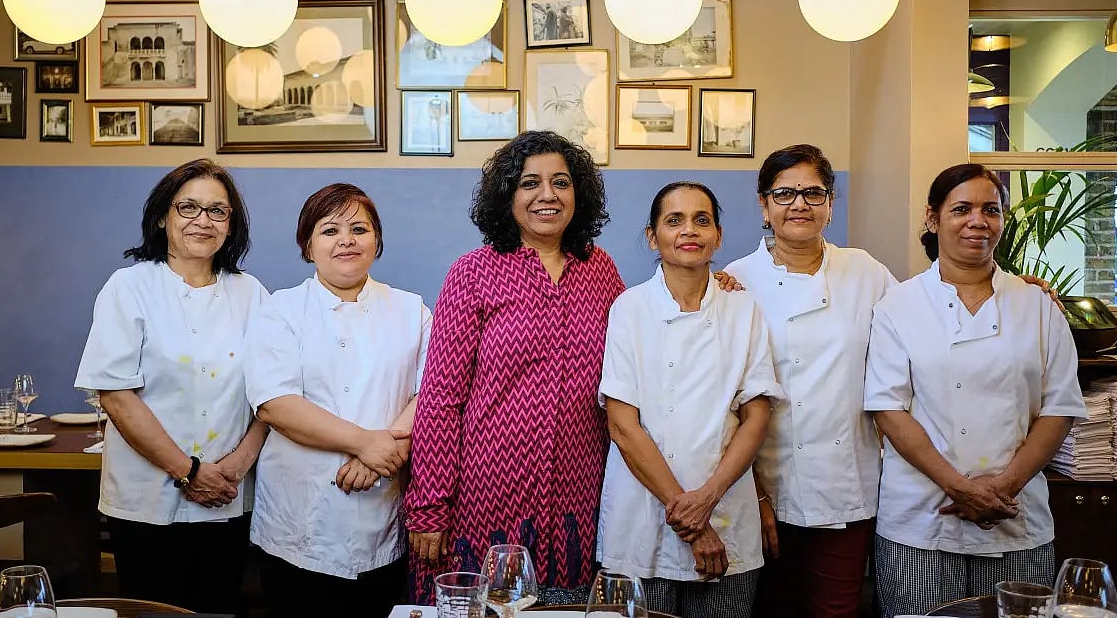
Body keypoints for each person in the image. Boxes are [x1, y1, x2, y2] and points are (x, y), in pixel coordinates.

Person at [404, 130, 626, 605]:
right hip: (486, 494)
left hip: (578, 491)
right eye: (530, 183)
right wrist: (429, 505)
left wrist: (710, 283)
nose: (547, 195)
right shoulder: (472, 272)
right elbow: (441, 398)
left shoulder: (601, 270)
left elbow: (639, 345)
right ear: (508, 196)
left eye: (561, 182)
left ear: (578, 194)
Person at [864, 163, 1087, 618]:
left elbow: (1059, 408)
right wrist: (959, 488)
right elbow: (888, 408)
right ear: (933, 218)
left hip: (1016, 514)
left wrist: (1002, 486)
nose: (977, 221)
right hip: (921, 518)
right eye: (961, 208)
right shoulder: (898, 305)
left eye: (991, 210)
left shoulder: (1038, 307)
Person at [74, 158, 269, 615]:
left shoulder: (252, 293)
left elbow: (273, 397)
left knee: (219, 606)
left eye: (218, 211)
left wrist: (235, 468)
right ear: (163, 215)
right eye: (189, 208)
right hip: (146, 500)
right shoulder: (129, 288)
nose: (203, 221)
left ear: (231, 224)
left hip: (228, 496)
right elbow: (117, 396)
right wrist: (189, 471)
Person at [244, 184, 431, 618]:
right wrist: (366, 443)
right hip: (299, 522)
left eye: (359, 229)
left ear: (377, 242)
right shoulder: (280, 310)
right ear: (308, 246)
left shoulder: (412, 310)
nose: (346, 239)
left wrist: (386, 450)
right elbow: (276, 403)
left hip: (382, 509)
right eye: (329, 230)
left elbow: (432, 392)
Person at [722, 144, 894, 618]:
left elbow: (921, 327)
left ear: (831, 203)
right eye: (785, 193)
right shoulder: (734, 280)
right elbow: (725, 396)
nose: (800, 204)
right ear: (764, 204)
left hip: (845, 483)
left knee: (837, 609)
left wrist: (1008, 287)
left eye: (813, 193)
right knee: (770, 609)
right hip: (761, 484)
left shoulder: (865, 271)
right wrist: (752, 489)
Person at [597, 182, 782, 618]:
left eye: (702, 220)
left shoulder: (744, 309)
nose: (689, 230)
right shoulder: (630, 308)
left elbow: (756, 414)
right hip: (642, 518)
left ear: (718, 235)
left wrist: (707, 500)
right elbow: (623, 426)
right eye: (674, 220)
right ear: (652, 236)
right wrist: (692, 521)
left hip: (726, 514)